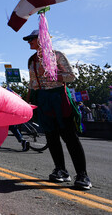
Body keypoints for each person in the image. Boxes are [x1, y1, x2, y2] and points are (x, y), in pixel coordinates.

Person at [24, 29, 92, 190]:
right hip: (42, 99)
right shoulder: (31, 60)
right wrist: (27, 103)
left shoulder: (57, 55)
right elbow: (32, 83)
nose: (29, 42)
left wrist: (52, 73)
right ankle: (61, 170)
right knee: (51, 137)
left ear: (41, 40)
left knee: (69, 137)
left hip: (58, 98)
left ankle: (82, 174)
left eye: (32, 39)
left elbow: (71, 76)